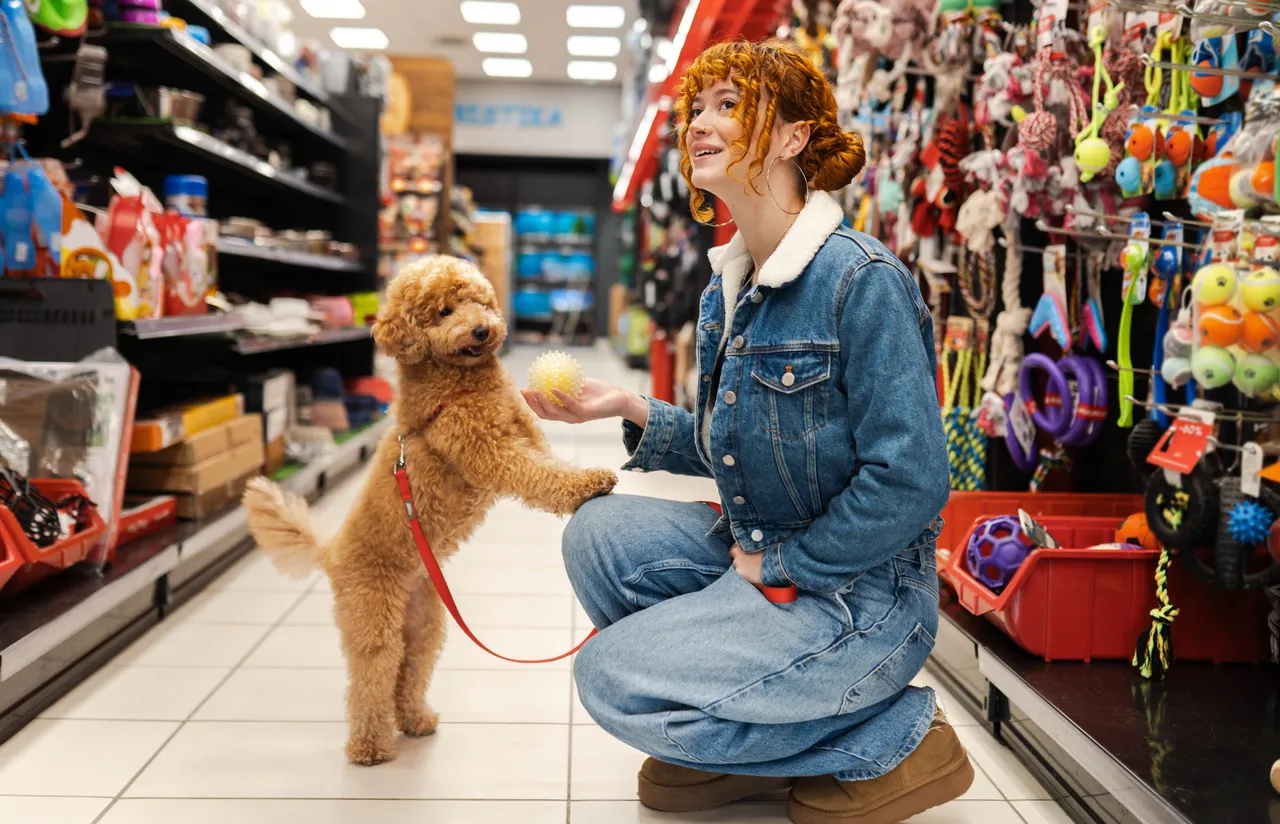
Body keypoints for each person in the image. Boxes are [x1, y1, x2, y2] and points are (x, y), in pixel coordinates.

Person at [522, 39, 971, 824]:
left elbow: (912, 479)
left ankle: (895, 736)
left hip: (861, 595)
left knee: (610, 678)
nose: (700, 123)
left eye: (729, 105)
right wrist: (631, 410)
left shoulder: (859, 281)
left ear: (795, 136)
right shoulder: (727, 286)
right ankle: (736, 743)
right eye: (697, 107)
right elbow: (749, 445)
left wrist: (785, 563)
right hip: (759, 549)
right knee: (596, 535)